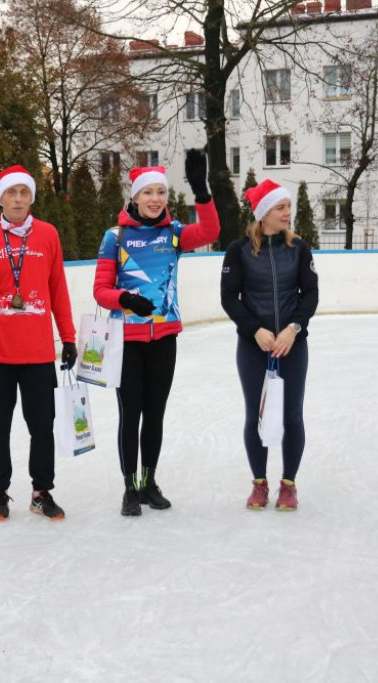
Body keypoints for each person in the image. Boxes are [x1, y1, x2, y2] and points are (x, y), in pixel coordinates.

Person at [93, 150, 221, 517]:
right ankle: (130, 487)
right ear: (134, 198)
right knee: (130, 414)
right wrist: (127, 299)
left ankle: (149, 482)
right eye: (147, 193)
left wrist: (202, 191)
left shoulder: (175, 233)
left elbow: (211, 231)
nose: (154, 199)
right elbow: (100, 290)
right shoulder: (114, 237)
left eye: (160, 193)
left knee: (155, 414)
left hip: (164, 338)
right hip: (127, 342)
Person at [0, 165, 77, 521]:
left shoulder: (47, 235)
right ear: (1, 198)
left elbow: (58, 289)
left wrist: (68, 337)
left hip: (38, 353)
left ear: (32, 198)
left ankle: (41, 492)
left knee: (42, 427)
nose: (18, 199)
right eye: (11, 193)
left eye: (24, 193)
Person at [220, 180, 318, 511]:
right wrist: (254, 330)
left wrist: (294, 328)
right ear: (264, 213)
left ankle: (288, 484)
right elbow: (229, 297)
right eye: (281, 208)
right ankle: (259, 483)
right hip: (254, 347)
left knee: (292, 414)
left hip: (292, 346)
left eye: (288, 206)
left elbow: (311, 294)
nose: (288, 213)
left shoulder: (299, 249)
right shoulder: (239, 250)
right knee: (256, 415)